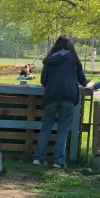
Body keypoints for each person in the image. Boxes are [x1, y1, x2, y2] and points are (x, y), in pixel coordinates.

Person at [32, 35, 88, 169]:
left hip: (51, 96)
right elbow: (82, 80)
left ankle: (38, 158)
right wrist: (86, 82)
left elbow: (43, 81)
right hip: (69, 97)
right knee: (62, 130)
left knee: (46, 128)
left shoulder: (50, 60)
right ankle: (58, 161)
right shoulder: (74, 59)